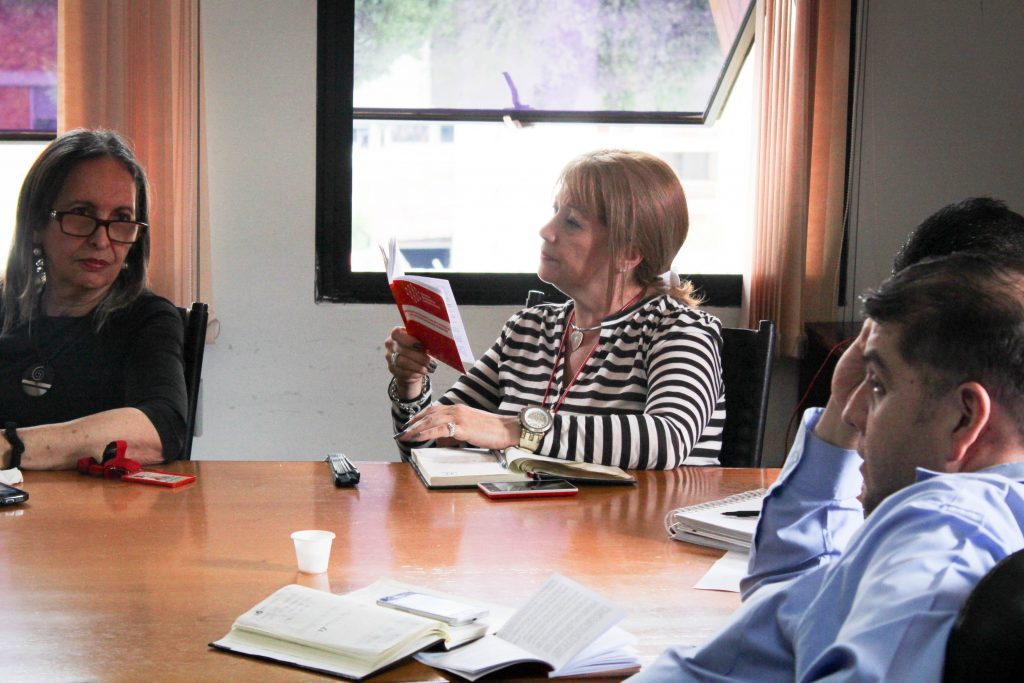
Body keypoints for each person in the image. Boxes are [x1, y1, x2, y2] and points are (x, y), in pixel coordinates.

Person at [632, 250, 1024, 681]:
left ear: (964, 418)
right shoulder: (980, 515)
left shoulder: (946, 526)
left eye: (878, 385)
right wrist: (836, 415)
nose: (853, 413)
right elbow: (791, 617)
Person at [384, 150, 726, 468]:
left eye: (572, 222)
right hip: (528, 514)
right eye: (555, 212)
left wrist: (511, 429)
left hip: (642, 518)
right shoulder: (527, 328)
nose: (546, 231)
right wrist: (411, 385)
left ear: (628, 253)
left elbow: (668, 438)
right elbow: (427, 450)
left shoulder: (680, 330)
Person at [0, 129, 186, 470]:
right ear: (36, 224)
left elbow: (160, 428)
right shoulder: (4, 310)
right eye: (82, 213)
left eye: (122, 219)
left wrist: (11, 446)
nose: (101, 240)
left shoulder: (147, 320)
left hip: (98, 504)